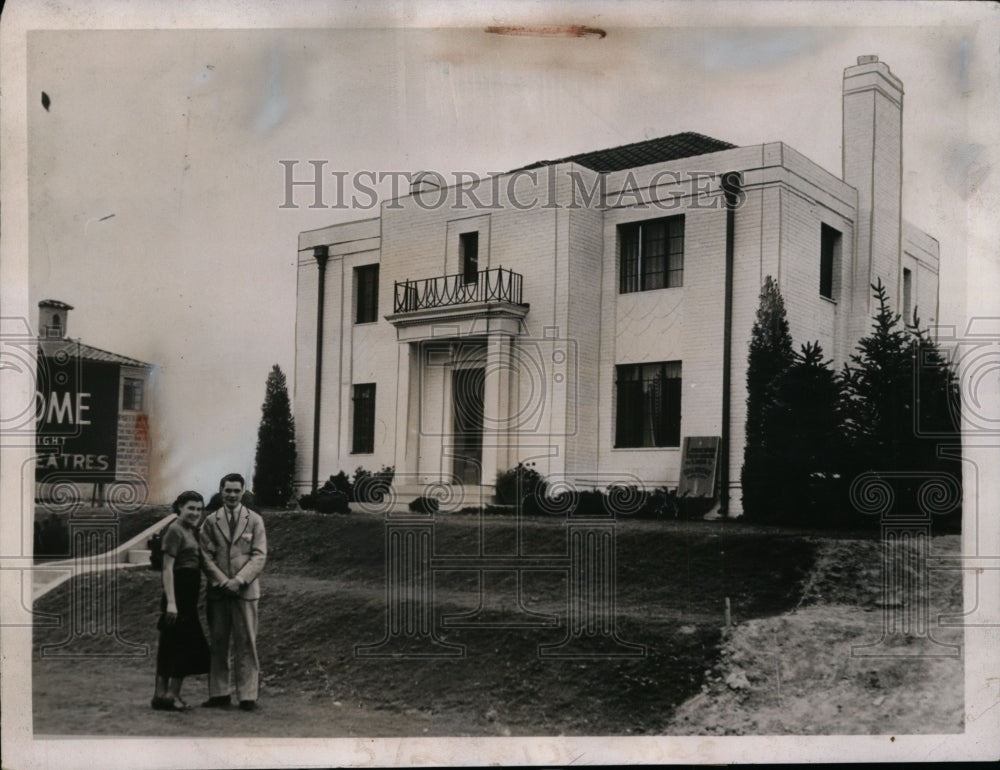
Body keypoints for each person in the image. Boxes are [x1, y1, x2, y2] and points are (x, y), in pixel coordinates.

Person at [199, 473, 267, 711]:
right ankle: (219, 693)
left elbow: (259, 555)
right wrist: (221, 581)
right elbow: (205, 556)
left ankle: (248, 696)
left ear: (243, 492)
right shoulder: (210, 521)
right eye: (227, 490)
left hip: (245, 592)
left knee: (246, 642)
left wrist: (239, 580)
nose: (231, 495)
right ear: (221, 491)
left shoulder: (255, 520)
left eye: (236, 491)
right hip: (219, 593)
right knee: (219, 642)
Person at [152, 491, 211, 711]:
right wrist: (171, 603)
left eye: (199, 509)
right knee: (180, 644)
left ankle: (162, 695)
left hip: (189, 594)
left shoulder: (190, 530)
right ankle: (170, 695)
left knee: (173, 643)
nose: (195, 513)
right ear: (179, 508)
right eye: (191, 508)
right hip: (178, 593)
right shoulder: (175, 530)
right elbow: (167, 568)